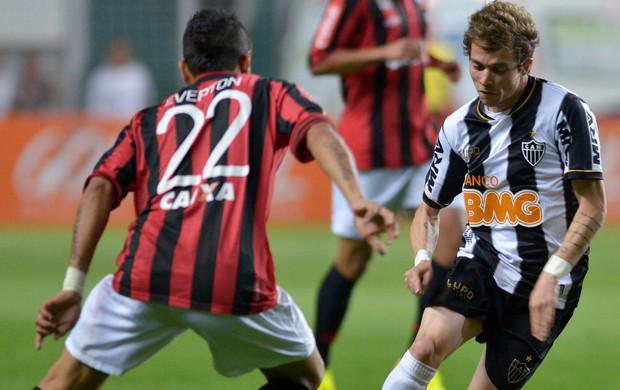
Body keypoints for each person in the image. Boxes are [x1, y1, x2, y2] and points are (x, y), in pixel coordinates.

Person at [33, 9, 398, 390]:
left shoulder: (148, 120)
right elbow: (319, 132)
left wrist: (74, 285)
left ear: (184, 70)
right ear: (246, 62)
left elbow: (99, 186)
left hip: (144, 276)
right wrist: (356, 198)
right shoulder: (270, 93)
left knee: (64, 381)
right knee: (306, 376)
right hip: (234, 281)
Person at [383, 1, 607, 389]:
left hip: (548, 278)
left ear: (525, 64)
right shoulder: (458, 127)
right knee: (424, 346)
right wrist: (422, 256)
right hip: (482, 261)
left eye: (499, 69)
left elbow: (593, 205)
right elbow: (429, 211)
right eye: (477, 66)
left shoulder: (565, 112)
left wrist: (553, 274)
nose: (485, 80)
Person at [308, 1, 466, 388]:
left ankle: (418, 362)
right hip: (369, 154)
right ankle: (315, 369)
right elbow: (319, 59)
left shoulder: (414, 3)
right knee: (352, 260)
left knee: (450, 235)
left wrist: (431, 62)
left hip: (419, 142)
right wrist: (384, 52)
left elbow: (405, 53)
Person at [84, 39, 155, 118]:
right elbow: (92, 103)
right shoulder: (99, 76)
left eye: (121, 52)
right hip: (105, 123)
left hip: (133, 122)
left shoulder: (139, 74)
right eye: (116, 52)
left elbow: (148, 100)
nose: (118, 55)